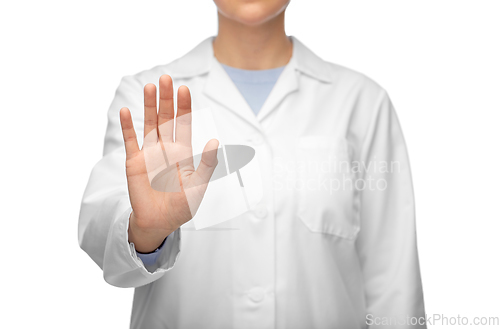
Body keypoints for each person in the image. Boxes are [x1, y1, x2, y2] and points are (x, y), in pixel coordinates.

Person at [78, 0, 426, 328]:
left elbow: (393, 278)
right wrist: (146, 231)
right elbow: (104, 239)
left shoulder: (362, 101)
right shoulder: (148, 96)